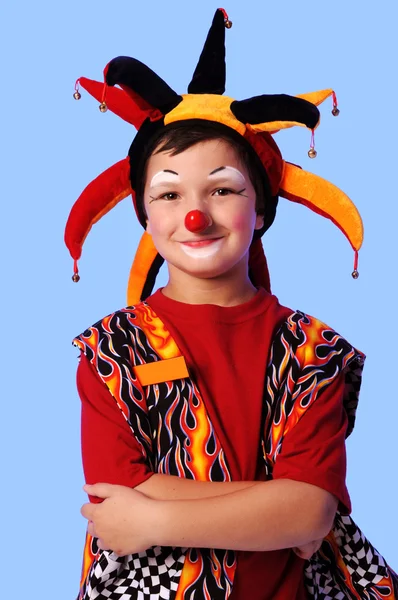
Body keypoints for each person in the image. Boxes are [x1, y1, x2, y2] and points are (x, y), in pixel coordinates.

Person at [66, 9, 397, 600]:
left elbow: (309, 514)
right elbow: (116, 494)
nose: (195, 213)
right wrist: (271, 505)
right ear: (145, 214)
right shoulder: (108, 351)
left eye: (222, 188)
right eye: (169, 192)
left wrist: (156, 518)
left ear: (262, 208)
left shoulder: (314, 351)